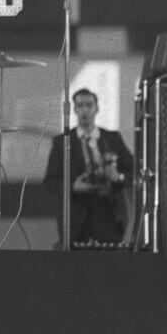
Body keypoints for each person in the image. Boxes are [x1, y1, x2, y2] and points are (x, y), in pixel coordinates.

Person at [43, 88, 134, 247]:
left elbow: (132, 170)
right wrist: (73, 187)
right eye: (80, 105)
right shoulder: (62, 142)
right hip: (76, 219)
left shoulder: (112, 138)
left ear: (96, 108)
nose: (84, 110)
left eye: (89, 105)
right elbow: (51, 181)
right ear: (74, 109)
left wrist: (118, 177)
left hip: (109, 216)